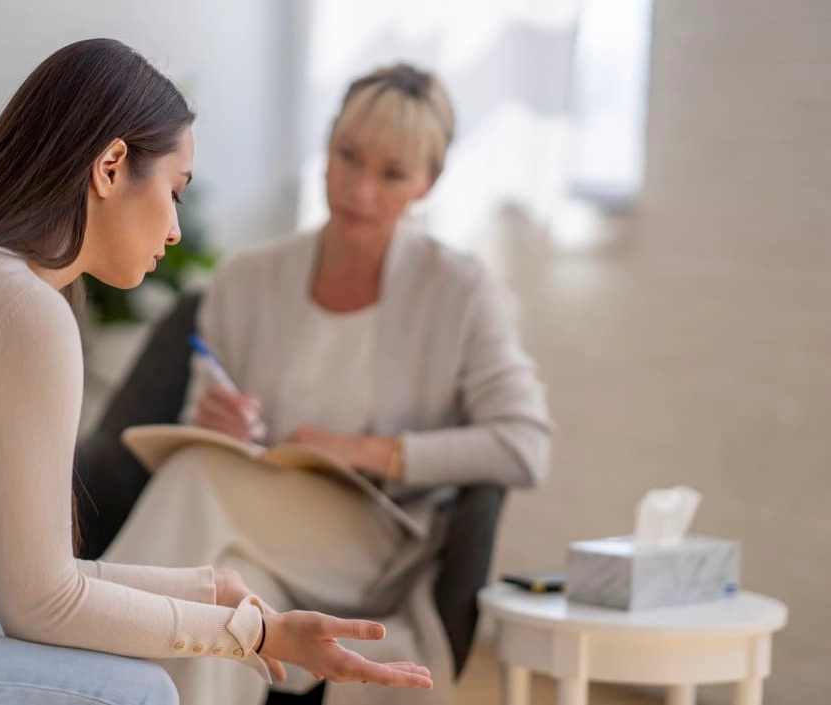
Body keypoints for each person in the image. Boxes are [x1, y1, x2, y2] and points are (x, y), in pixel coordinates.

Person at [0, 39, 432, 705]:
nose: (176, 231)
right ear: (110, 166)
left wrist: (208, 589)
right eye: (176, 191)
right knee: (135, 690)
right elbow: (40, 601)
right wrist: (252, 633)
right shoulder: (17, 312)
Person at [95, 63, 553, 705]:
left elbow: (525, 443)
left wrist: (369, 451)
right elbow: (211, 390)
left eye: (391, 173)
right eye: (347, 156)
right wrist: (215, 419)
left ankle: (74, 649)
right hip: (250, 525)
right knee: (231, 607)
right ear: (328, 143)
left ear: (428, 182)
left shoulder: (460, 290)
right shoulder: (248, 279)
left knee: (197, 478)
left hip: (372, 546)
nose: (359, 189)